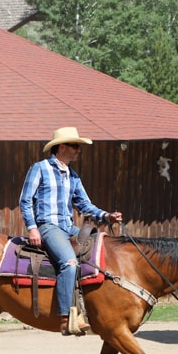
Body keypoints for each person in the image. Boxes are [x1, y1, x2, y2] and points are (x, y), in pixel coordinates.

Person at [19, 127, 122, 335]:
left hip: (69, 227)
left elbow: (84, 204)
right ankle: (66, 318)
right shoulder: (40, 168)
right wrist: (32, 228)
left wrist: (106, 216)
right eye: (76, 146)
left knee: (101, 244)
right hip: (49, 226)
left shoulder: (72, 175)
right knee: (69, 263)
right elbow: (25, 200)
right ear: (62, 146)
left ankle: (94, 304)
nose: (79, 150)